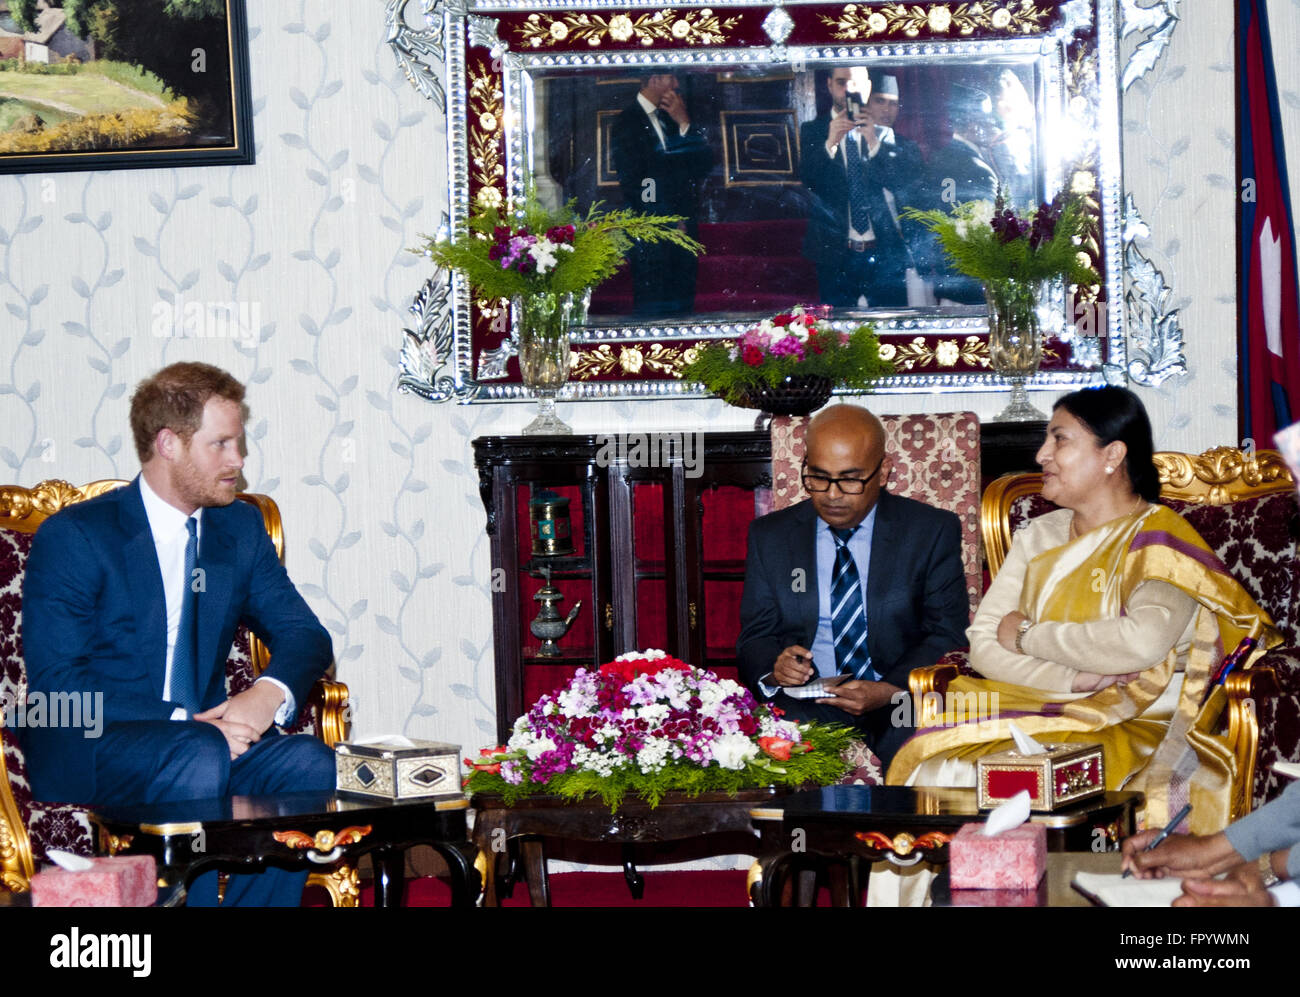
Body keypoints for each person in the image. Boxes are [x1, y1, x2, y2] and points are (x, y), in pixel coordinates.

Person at [886, 387, 1281, 834]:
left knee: (1041, 782)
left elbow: (1139, 643)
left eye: (1060, 440)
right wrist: (1073, 680)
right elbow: (982, 645)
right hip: (1034, 705)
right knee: (939, 769)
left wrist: (1026, 635)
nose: (1041, 455)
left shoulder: (1159, 540)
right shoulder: (1039, 534)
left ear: (1112, 455)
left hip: (1136, 720)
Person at [20, 362, 337, 906]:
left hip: (206, 742)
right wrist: (181, 720)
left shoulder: (236, 529)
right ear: (168, 443)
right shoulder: (77, 535)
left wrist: (266, 696)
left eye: (239, 443)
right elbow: (57, 683)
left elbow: (306, 635)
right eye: (221, 445)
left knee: (309, 763)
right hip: (95, 742)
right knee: (197, 751)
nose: (238, 461)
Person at [736, 405, 968, 767]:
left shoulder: (930, 531)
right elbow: (757, 634)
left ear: (884, 471)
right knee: (768, 747)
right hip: (807, 700)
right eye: (818, 477)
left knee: (923, 749)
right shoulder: (771, 536)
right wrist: (775, 668)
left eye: (850, 479)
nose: (832, 494)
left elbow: (946, 632)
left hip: (898, 697)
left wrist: (889, 689)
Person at [799, 68, 916, 309]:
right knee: (837, 333)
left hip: (883, 250)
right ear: (830, 85)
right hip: (835, 253)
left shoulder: (885, 134)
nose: (849, 90)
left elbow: (902, 184)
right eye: (842, 83)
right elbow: (809, 181)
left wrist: (873, 142)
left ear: (868, 87)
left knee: (892, 323)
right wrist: (830, 142)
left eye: (856, 84)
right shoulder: (813, 131)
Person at [609, 72, 712, 316]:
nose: (677, 85)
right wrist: (666, 219)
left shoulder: (671, 117)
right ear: (654, 79)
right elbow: (639, 182)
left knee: (683, 308)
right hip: (651, 230)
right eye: (671, 78)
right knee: (652, 309)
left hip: (684, 227)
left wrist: (684, 123)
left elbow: (703, 165)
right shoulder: (626, 122)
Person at [924, 84, 1001, 305]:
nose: (992, 124)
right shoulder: (976, 168)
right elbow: (988, 231)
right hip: (973, 284)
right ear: (971, 122)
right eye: (987, 117)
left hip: (946, 279)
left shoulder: (939, 158)